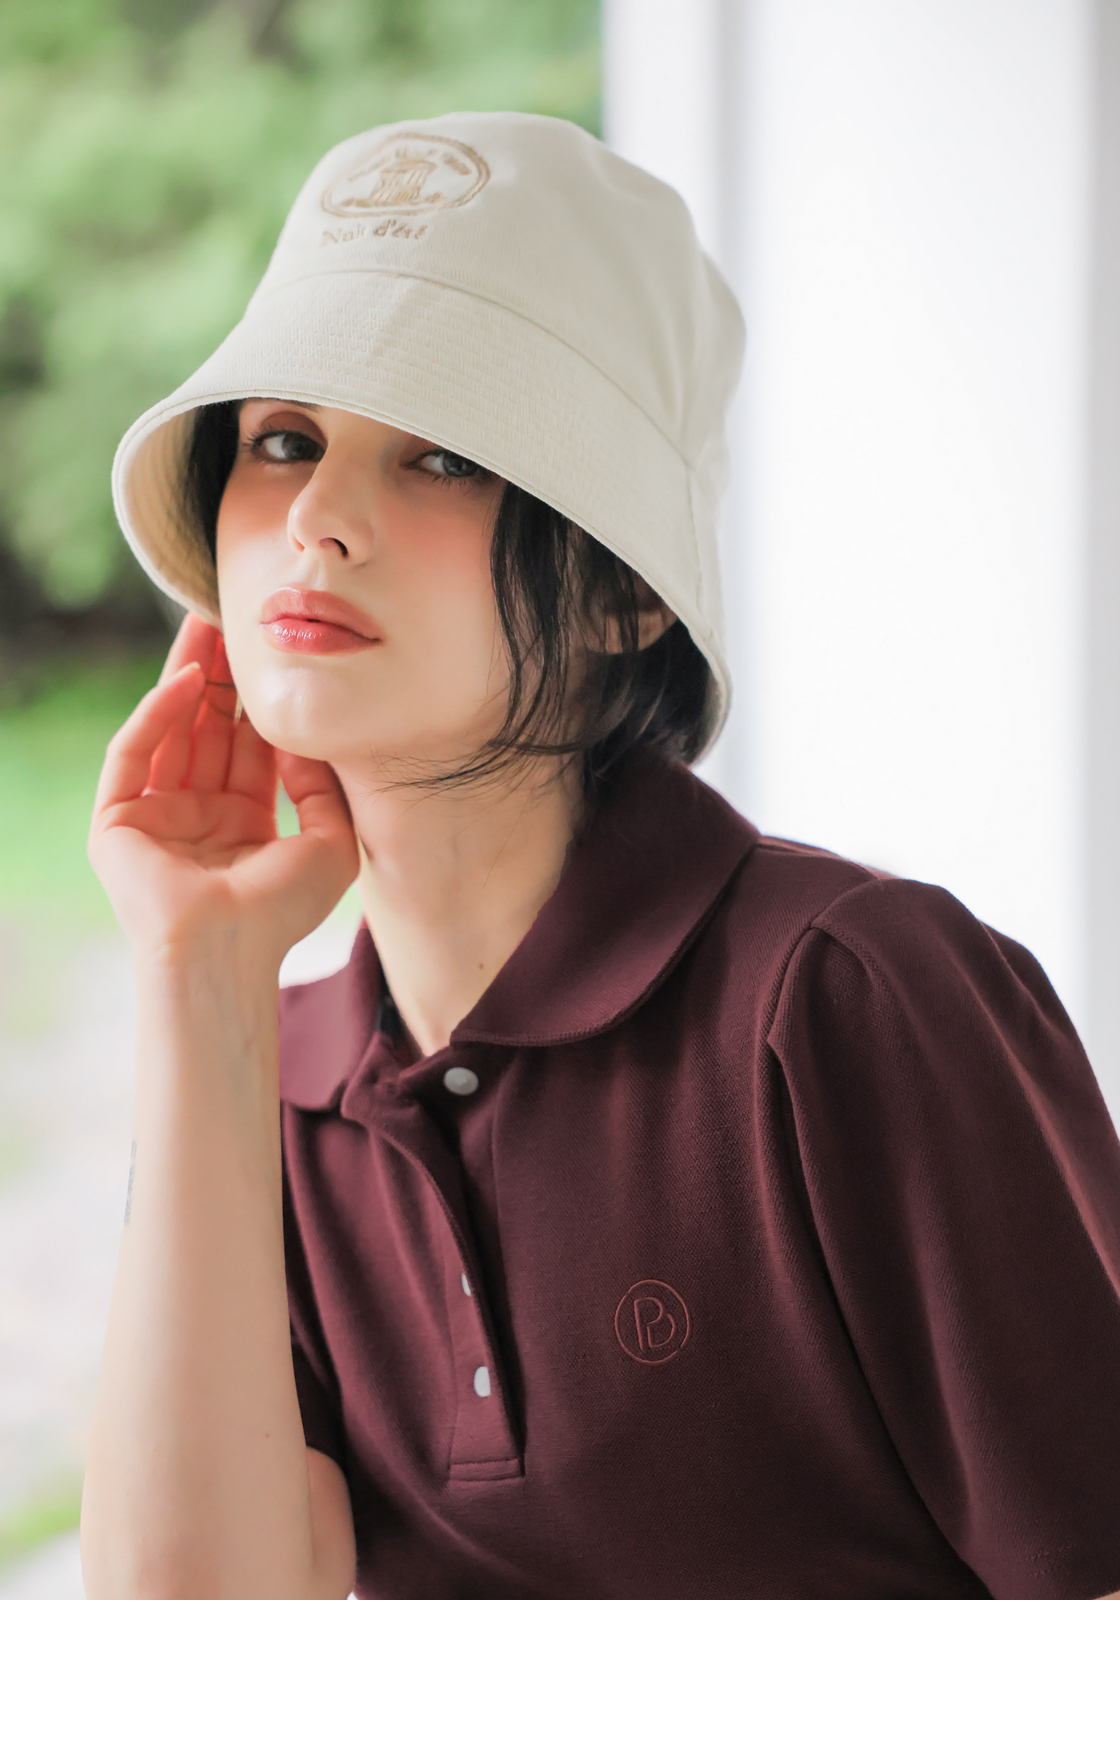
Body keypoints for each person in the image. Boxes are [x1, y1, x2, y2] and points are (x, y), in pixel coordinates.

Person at [82, 113, 1120, 1600]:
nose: (316, 519)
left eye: (444, 455)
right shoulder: (279, 1079)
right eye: (284, 442)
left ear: (627, 593)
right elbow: (190, 1649)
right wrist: (198, 972)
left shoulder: (842, 994)